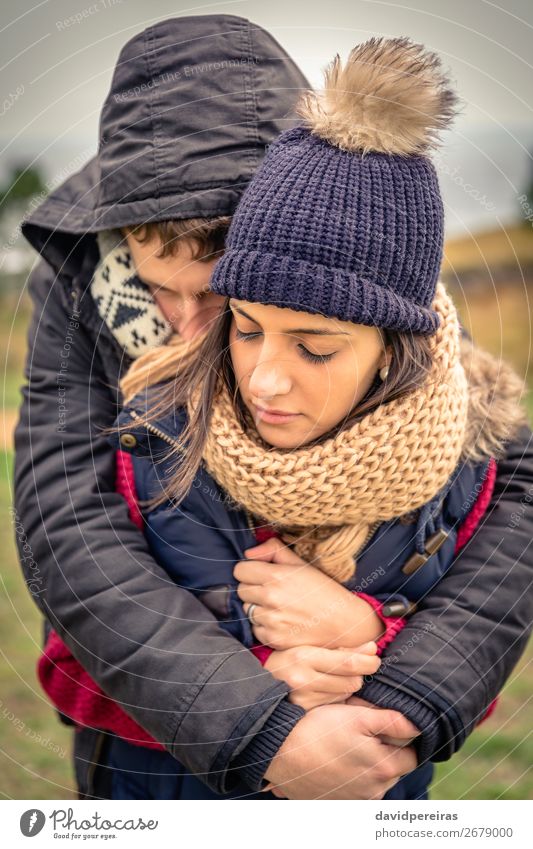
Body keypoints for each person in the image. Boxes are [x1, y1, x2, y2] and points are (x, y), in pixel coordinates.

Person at [15, 18, 533, 801]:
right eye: (159, 288)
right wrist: (256, 716)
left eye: (222, 293)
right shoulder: (82, 281)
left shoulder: (360, 262)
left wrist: (386, 661)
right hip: (155, 769)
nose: (191, 327)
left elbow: (500, 501)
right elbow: (65, 522)